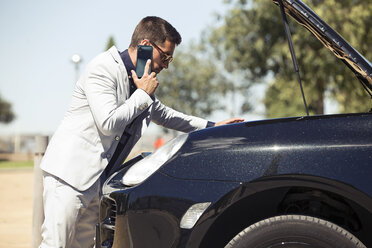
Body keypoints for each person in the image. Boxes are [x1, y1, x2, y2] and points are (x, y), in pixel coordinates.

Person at [39, 16, 243, 248]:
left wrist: (212, 127)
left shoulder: (139, 81)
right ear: (145, 44)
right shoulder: (103, 68)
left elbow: (165, 115)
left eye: (170, 59)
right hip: (69, 175)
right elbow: (108, 122)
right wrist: (142, 95)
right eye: (164, 56)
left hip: (96, 182)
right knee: (55, 245)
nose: (166, 64)